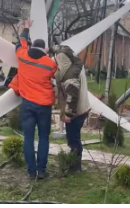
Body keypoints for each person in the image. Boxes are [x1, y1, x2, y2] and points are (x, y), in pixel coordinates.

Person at [14, 20, 57, 180]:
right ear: (44, 49)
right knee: (44, 137)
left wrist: (26, 28)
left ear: (32, 47)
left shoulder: (23, 56)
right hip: (44, 106)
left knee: (28, 138)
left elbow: (21, 43)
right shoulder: (50, 63)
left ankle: (31, 172)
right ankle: (41, 171)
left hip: (27, 105)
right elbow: (56, 75)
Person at [52, 43, 90, 173]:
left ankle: (75, 167)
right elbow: (60, 49)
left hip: (76, 112)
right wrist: (51, 48)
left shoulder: (70, 75)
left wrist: (68, 114)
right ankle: (75, 165)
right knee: (75, 138)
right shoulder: (77, 65)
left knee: (73, 140)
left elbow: (72, 97)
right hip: (83, 109)